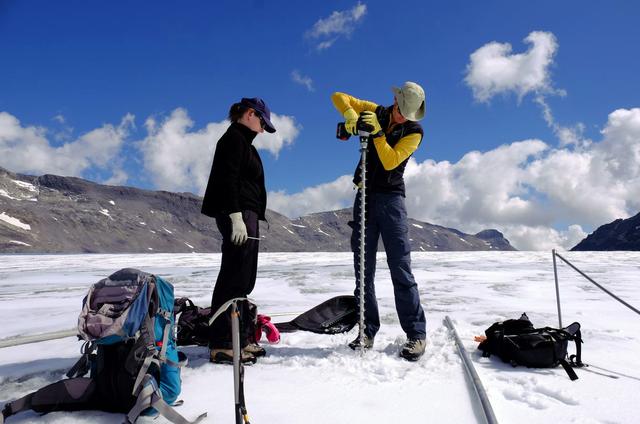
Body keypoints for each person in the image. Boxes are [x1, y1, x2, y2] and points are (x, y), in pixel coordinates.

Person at [331, 81, 428, 361]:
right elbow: (339, 95)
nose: (402, 117)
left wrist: (375, 133)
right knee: (364, 270)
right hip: (364, 197)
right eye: (400, 111)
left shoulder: (414, 132)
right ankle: (367, 330)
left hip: (391, 201)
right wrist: (351, 116)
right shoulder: (378, 111)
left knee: (400, 268)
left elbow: (389, 161)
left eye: (407, 114)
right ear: (395, 102)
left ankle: (416, 334)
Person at [201, 97, 276, 364]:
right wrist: (235, 217)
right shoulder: (233, 139)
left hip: (247, 215)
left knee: (243, 280)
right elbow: (227, 179)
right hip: (239, 214)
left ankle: (241, 338)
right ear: (249, 114)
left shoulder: (243, 142)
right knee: (233, 277)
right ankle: (223, 343)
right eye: (262, 123)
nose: (263, 129)